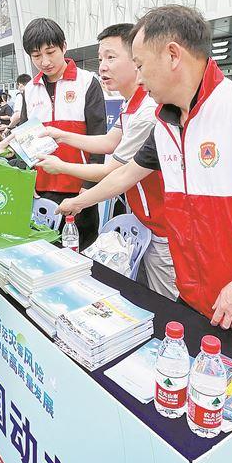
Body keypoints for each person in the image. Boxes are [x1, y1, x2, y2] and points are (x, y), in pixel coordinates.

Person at [58, 5, 232, 364]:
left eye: (139, 64)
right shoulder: (165, 123)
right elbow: (125, 175)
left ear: (172, 55)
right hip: (199, 298)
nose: (138, 76)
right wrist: (79, 202)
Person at [36, 23, 177, 300]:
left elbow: (116, 171)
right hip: (144, 219)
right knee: (144, 293)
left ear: (136, 60)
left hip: (162, 225)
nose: (102, 67)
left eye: (111, 58)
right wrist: (62, 136)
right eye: (100, 59)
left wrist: (64, 173)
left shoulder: (148, 111)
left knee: (164, 302)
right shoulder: (131, 104)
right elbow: (108, 142)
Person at [18, 17, 107, 250]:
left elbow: (99, 138)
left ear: (64, 47)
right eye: (36, 56)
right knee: (44, 251)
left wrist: (88, 188)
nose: (45, 62)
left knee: (81, 252)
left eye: (50, 52)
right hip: (42, 190)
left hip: (79, 189)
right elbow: (25, 140)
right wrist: (29, 183)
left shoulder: (88, 82)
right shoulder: (30, 89)